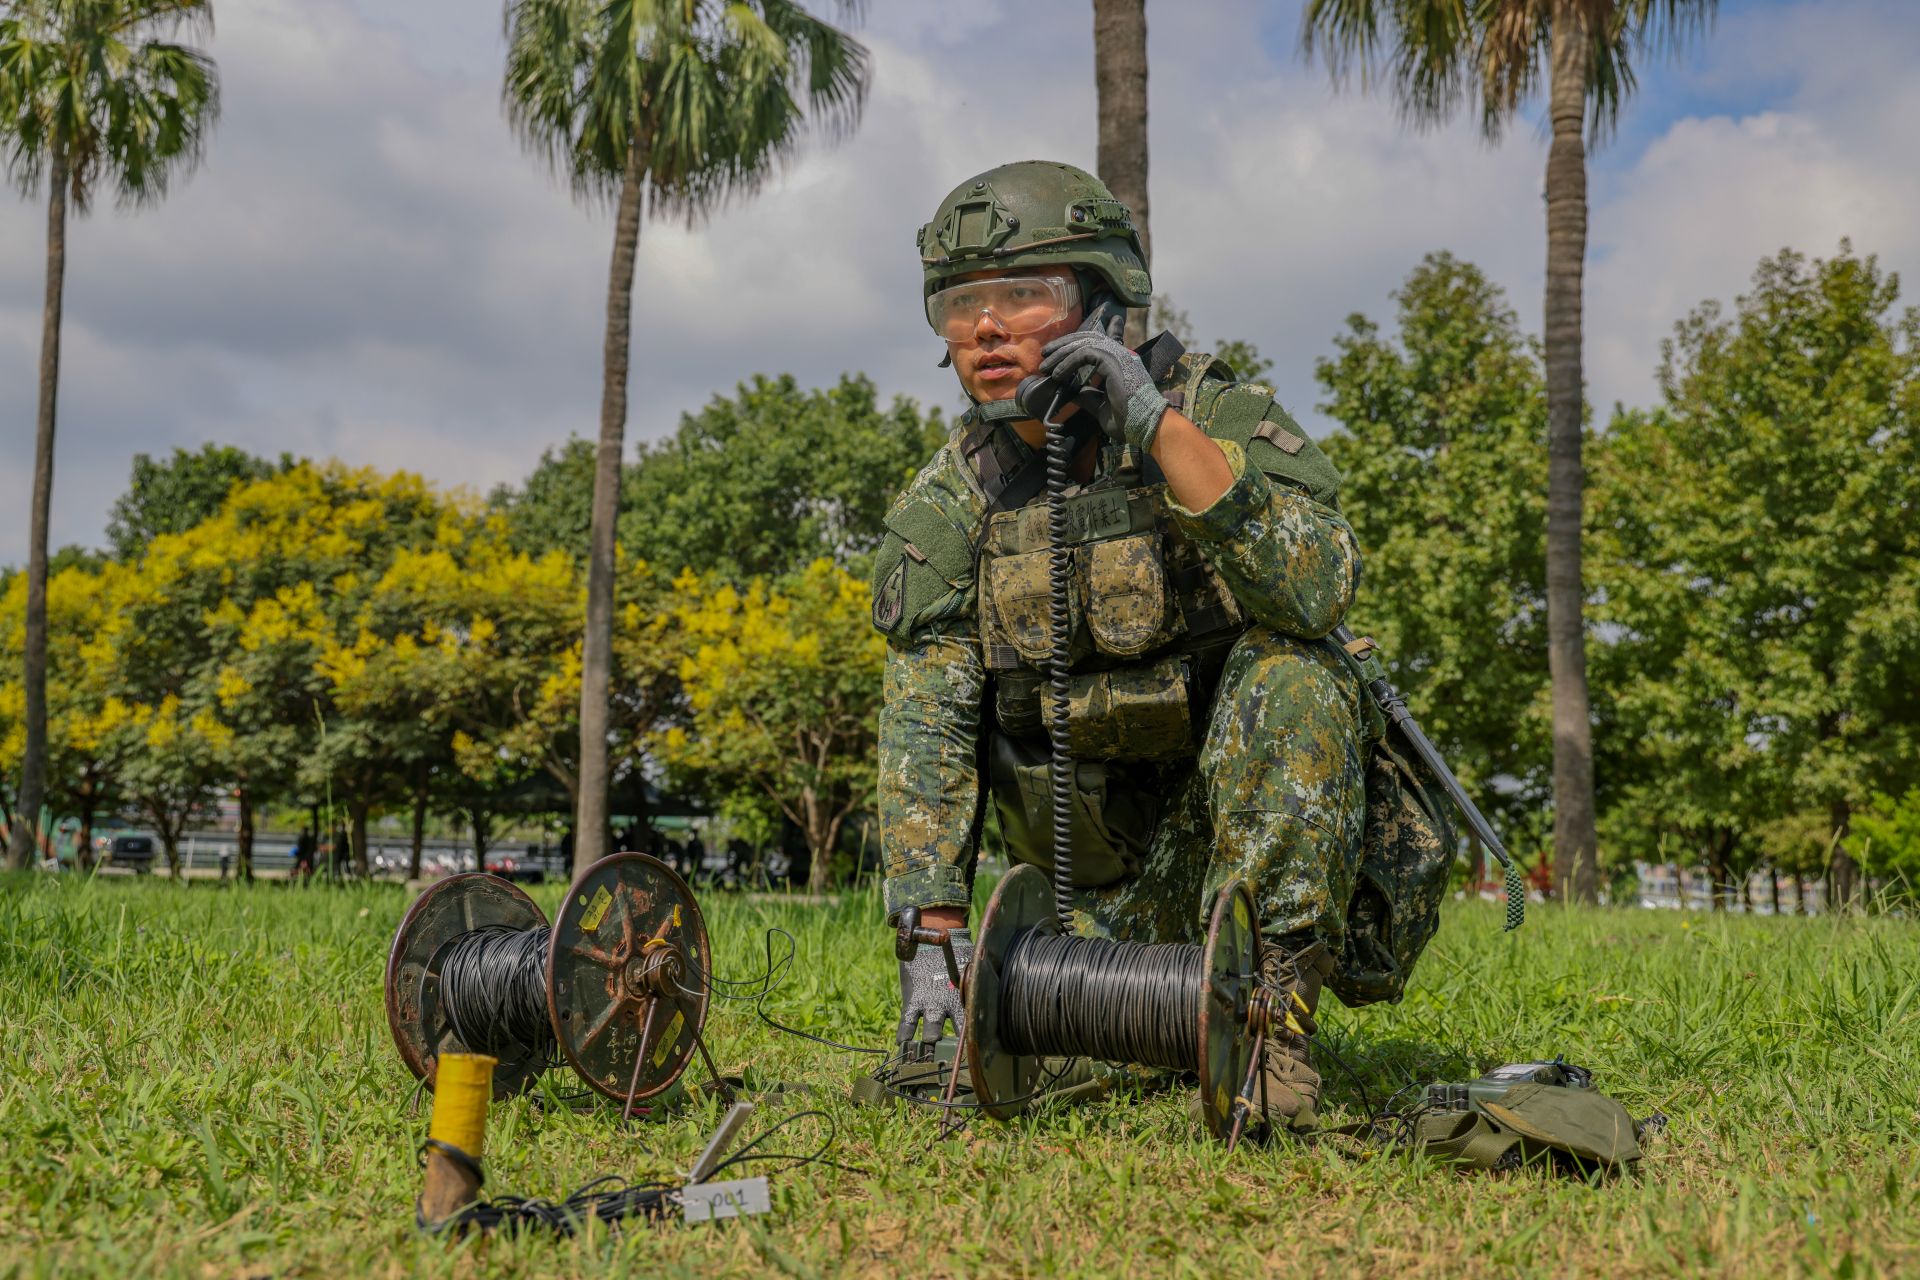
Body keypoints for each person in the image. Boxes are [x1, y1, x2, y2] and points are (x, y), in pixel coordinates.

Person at [873, 161, 1452, 1131]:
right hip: (1093, 914)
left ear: (1103, 301)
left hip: (1265, 867)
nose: (987, 327)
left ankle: (1271, 1027)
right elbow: (924, 729)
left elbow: (1316, 589)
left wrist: (1152, 424)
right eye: (961, 303)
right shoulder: (953, 499)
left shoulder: (1216, 419)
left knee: (1299, 669)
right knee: (921, 678)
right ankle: (1072, 1010)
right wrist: (933, 945)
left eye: (1024, 294)